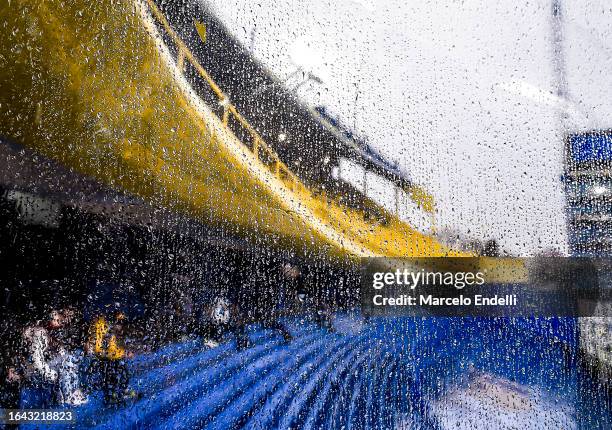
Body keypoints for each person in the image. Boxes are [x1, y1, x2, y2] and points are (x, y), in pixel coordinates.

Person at [86, 312, 135, 405]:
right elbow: (100, 347)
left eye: (122, 323)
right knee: (111, 375)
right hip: (103, 357)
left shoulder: (107, 327)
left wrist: (123, 352)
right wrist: (123, 353)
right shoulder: (102, 326)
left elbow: (113, 346)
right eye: (120, 323)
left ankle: (118, 392)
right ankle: (112, 395)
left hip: (107, 356)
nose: (121, 326)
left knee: (119, 373)